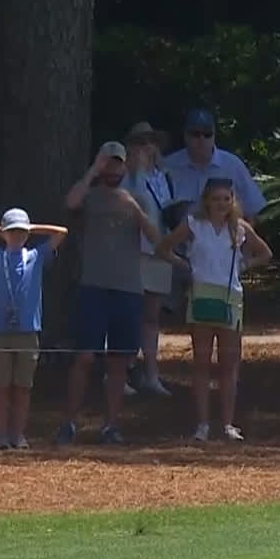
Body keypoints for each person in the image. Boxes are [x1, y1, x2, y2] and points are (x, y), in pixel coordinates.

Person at [59, 142, 164, 445]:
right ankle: (69, 422)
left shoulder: (137, 198)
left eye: (118, 164)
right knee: (85, 357)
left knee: (119, 361)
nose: (114, 170)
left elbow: (157, 239)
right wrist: (93, 170)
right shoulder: (90, 196)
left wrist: (135, 211)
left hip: (127, 287)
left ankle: (111, 425)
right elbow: (70, 202)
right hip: (93, 285)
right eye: (109, 163)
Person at [157, 178, 273, 441]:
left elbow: (265, 253)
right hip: (201, 294)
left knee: (229, 363)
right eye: (216, 198)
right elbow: (164, 247)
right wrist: (186, 266)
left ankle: (228, 423)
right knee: (201, 362)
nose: (221, 203)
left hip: (230, 297)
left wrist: (243, 266)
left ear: (232, 201)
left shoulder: (240, 229)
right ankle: (202, 424)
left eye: (226, 198)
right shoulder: (194, 225)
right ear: (206, 200)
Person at [0, 209, 69, 450]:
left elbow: (61, 233)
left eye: (20, 232)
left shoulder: (35, 256)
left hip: (28, 331)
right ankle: (2, 435)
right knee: (1, 387)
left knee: (23, 387)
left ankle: (18, 434)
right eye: (12, 231)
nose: (16, 236)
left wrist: (31, 228)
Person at [125, 120, 177, 396]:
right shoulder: (126, 175)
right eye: (141, 142)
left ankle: (151, 374)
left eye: (151, 141)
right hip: (133, 251)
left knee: (152, 314)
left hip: (159, 251)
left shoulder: (164, 176)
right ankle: (123, 372)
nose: (147, 147)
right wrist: (135, 169)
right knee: (128, 311)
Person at [164, 108, 267, 221]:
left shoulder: (233, 165)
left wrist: (239, 237)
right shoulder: (168, 166)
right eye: (195, 134)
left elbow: (252, 212)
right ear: (185, 135)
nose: (201, 139)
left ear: (214, 135)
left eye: (207, 134)